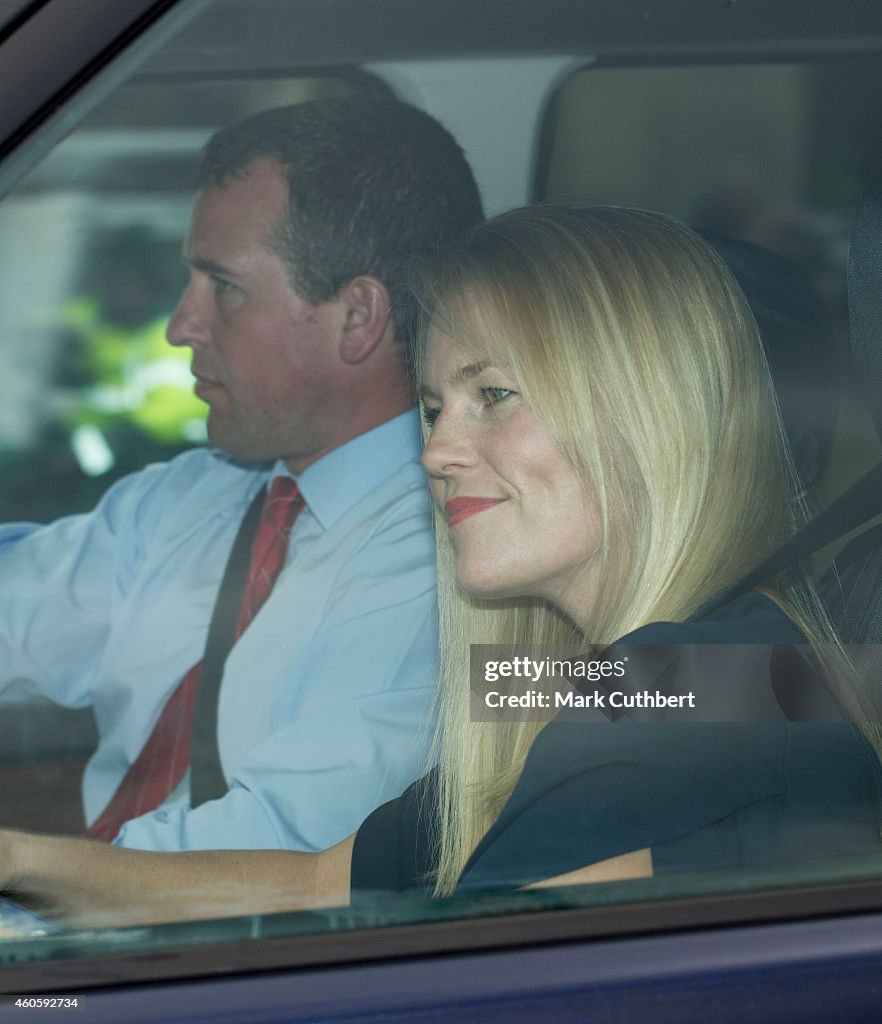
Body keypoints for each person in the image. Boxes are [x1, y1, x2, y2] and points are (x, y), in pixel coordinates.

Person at [0, 205, 879, 928]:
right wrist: (22, 861)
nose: (438, 452)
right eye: (432, 407)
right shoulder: (727, 672)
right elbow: (315, 882)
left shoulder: (673, 697)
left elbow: (490, 967)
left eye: (493, 395)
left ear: (649, 415)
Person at [0, 96, 483, 853]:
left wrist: (26, 900)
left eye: (221, 286)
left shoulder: (447, 553)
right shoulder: (193, 496)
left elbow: (271, 851)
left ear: (357, 317)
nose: (179, 325)